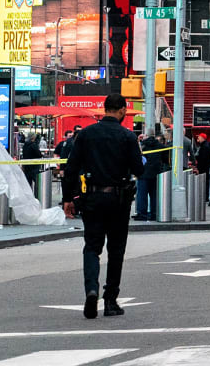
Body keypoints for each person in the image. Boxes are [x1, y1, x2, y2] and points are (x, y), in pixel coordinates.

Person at [61, 94, 144, 320]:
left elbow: (71, 168)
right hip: (119, 200)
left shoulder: (85, 135)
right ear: (123, 110)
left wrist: (67, 198)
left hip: (93, 198)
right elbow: (139, 169)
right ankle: (110, 300)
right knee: (116, 250)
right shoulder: (128, 137)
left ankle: (91, 290)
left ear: (104, 108)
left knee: (92, 247)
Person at [135, 129, 167, 221]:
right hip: (156, 174)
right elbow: (165, 159)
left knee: (142, 195)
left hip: (143, 173)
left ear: (146, 135)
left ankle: (142, 214)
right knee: (154, 195)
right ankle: (154, 213)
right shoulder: (161, 146)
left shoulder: (142, 146)